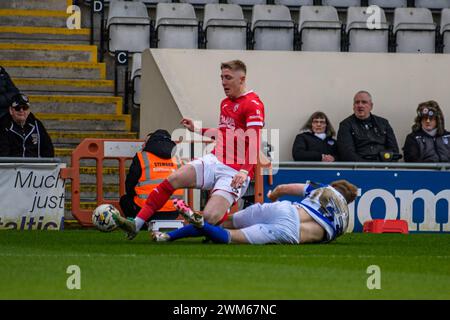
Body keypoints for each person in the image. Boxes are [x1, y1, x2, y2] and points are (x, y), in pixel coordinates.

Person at [112, 60, 265, 240]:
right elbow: (224, 133)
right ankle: (135, 225)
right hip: (215, 160)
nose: (223, 82)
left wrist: (244, 171)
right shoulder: (225, 103)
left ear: (242, 79)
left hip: (233, 172)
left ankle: (199, 227)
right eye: (222, 77)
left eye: (228, 77)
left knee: (210, 217)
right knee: (173, 179)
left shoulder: (253, 104)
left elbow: (255, 142)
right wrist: (197, 129)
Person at [152, 179, 358, 245]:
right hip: (291, 233)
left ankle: (168, 237)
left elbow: (285, 188)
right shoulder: (344, 221)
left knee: (222, 222)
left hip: (285, 210)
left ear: (335, 187)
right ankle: (200, 225)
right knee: (230, 238)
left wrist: (274, 197)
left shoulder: (325, 189)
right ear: (347, 201)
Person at [119, 129, 183, 221]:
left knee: (125, 200)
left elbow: (130, 183)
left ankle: (140, 224)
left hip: (146, 210)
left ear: (151, 141)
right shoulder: (177, 158)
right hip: (173, 211)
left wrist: (134, 196)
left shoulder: (142, 157)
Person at [337, 90, 400, 162]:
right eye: (357, 102)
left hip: (383, 167)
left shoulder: (384, 123)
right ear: (353, 106)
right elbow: (347, 154)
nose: (360, 105)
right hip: (359, 169)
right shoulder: (345, 125)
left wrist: (383, 166)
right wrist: (367, 167)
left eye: (364, 102)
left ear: (371, 106)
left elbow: (394, 150)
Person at [0, 93, 54, 158]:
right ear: (11, 110)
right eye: (18, 108)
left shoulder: (37, 125)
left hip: (34, 167)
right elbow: (3, 154)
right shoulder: (3, 126)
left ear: (28, 110)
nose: (21, 110)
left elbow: (48, 151)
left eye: (25, 107)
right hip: (11, 167)